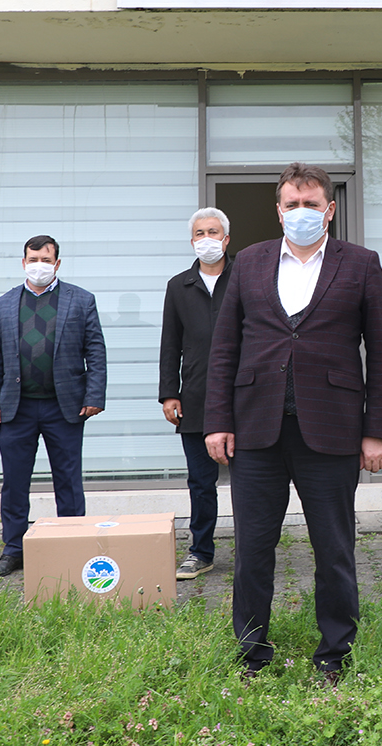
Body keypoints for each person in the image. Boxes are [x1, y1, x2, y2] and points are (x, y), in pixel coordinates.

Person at [205, 162, 382, 682]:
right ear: (278, 210)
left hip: (331, 430)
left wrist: (375, 430)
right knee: (251, 549)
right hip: (255, 429)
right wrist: (217, 420)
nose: (301, 212)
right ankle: (250, 653)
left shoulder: (360, 264)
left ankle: (335, 652)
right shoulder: (248, 262)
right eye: (291, 204)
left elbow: (381, 351)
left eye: (311, 204)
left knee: (334, 548)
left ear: (329, 210)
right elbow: (225, 347)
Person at [0, 235, 107, 579]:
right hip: (15, 408)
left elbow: (95, 350)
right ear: (23, 263)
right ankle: (14, 550)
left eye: (46, 259)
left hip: (64, 408)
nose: (39, 265)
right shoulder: (6, 303)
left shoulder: (81, 300)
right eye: (33, 259)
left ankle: (72, 544)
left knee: (68, 480)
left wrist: (94, 395)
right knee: (15, 483)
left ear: (58, 264)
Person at [159, 208, 235, 581]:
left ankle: (255, 548)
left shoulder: (247, 277)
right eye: (200, 232)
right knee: (201, 482)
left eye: (214, 231)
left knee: (254, 481)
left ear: (226, 239)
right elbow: (170, 344)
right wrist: (168, 393)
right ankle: (201, 551)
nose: (207, 238)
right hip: (196, 396)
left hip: (245, 396)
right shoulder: (179, 285)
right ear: (192, 241)